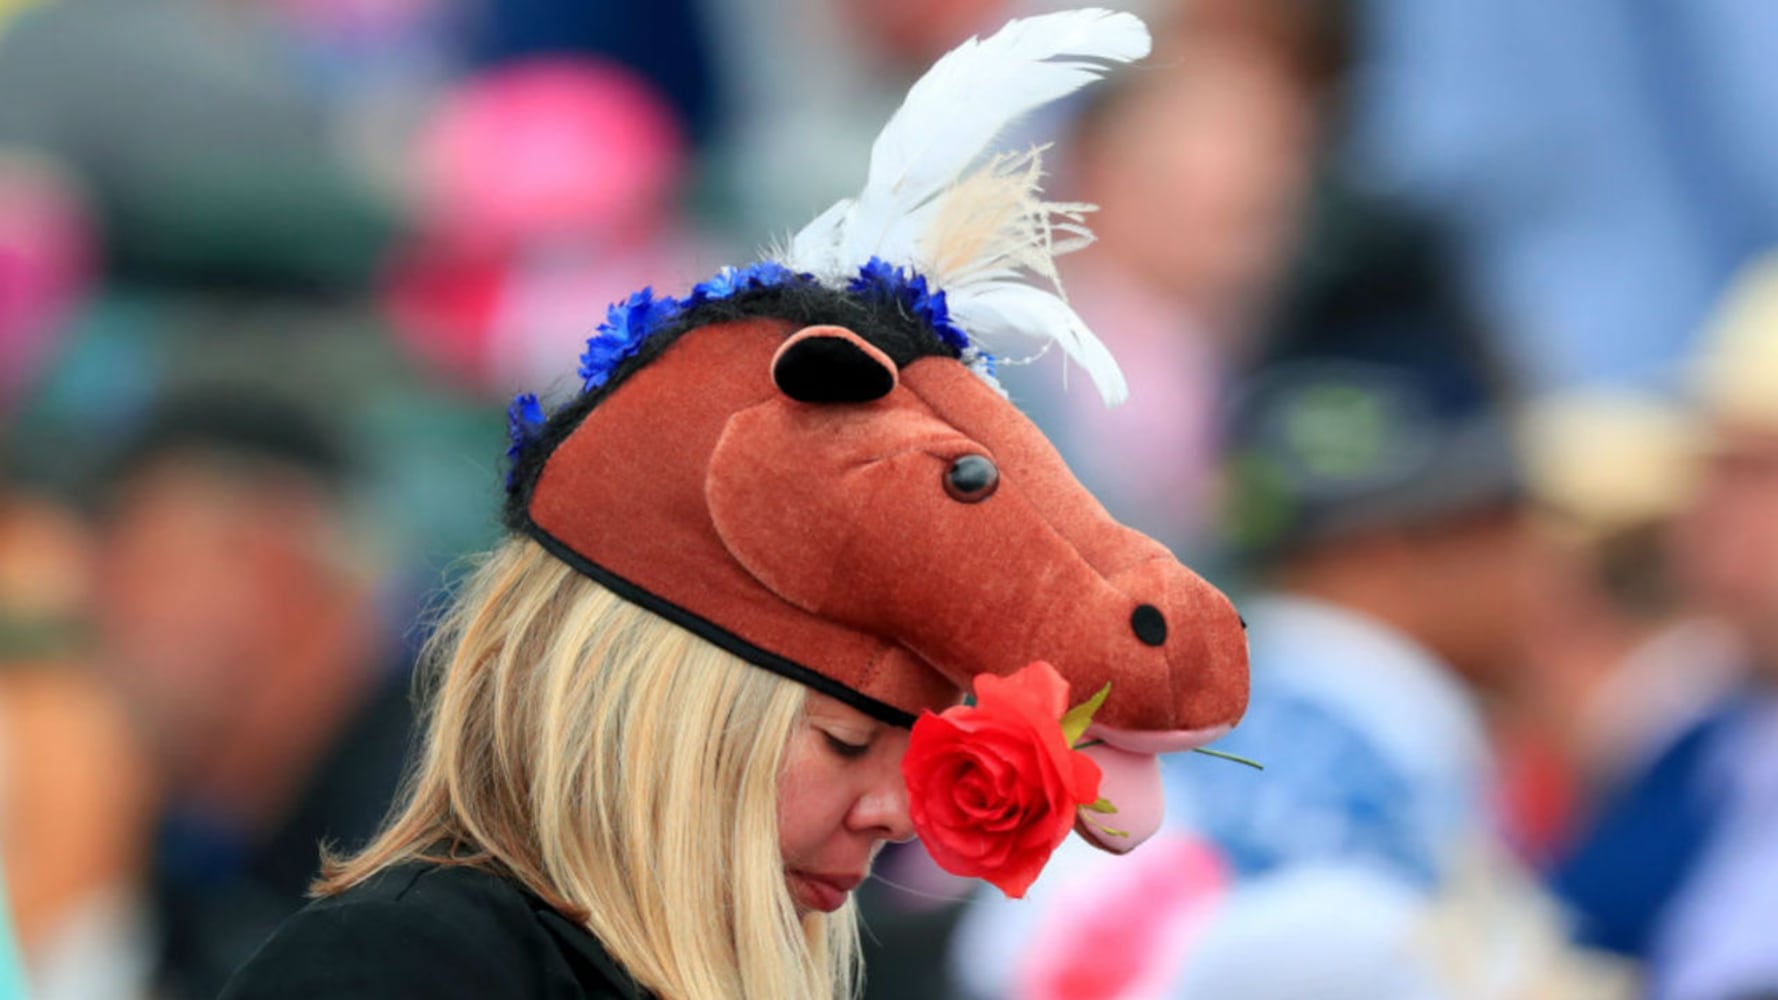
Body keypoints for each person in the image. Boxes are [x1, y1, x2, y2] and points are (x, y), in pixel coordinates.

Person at [222, 11, 1250, 1000]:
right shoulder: (409, 962)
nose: (897, 812)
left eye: (911, 743)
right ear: (656, 697)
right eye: (846, 737)